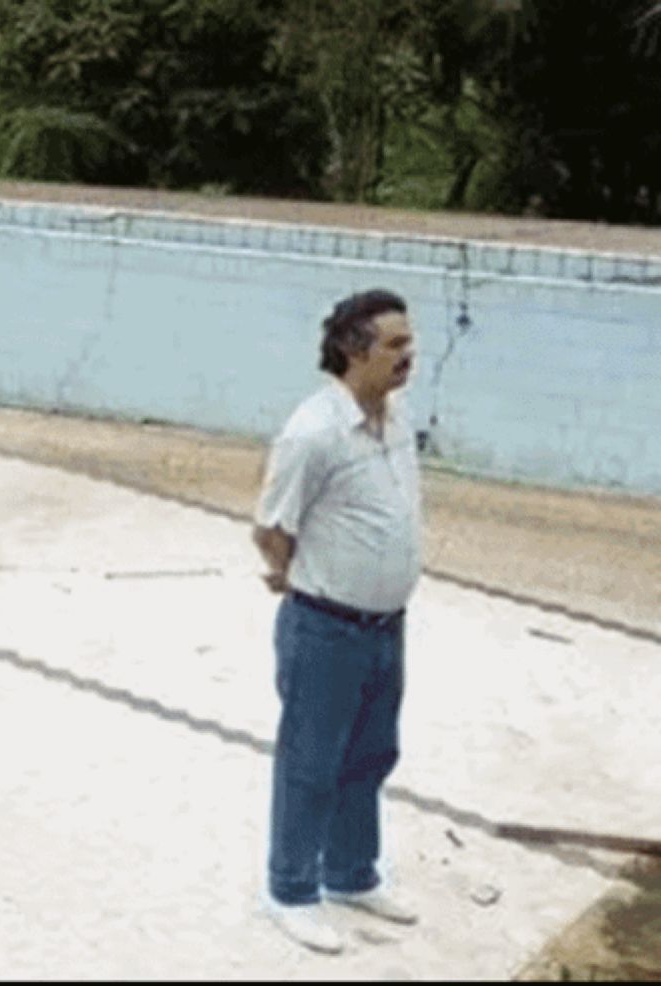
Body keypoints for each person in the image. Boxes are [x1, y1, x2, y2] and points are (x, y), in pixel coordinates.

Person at [252, 288, 422, 953]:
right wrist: (295, 581)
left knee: (372, 754)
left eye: (409, 341)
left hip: (386, 626)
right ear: (353, 350)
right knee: (311, 763)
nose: (410, 355)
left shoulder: (396, 415)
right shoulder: (313, 430)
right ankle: (290, 890)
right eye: (395, 345)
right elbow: (270, 527)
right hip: (326, 627)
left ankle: (351, 873)